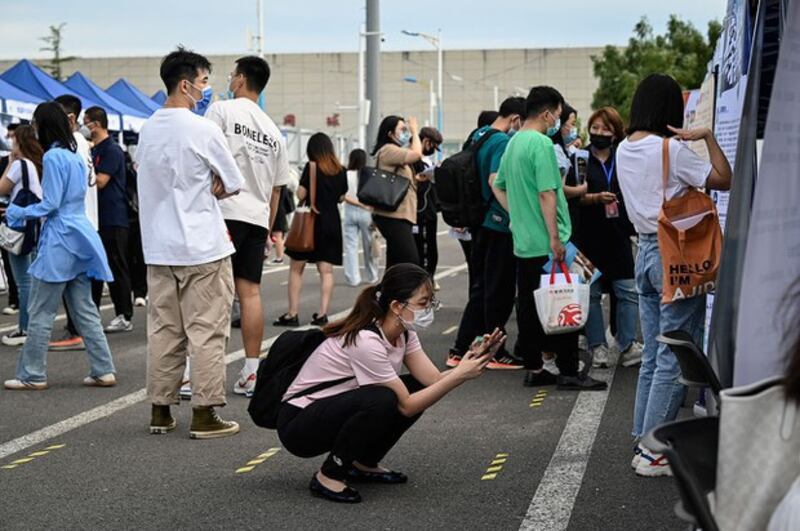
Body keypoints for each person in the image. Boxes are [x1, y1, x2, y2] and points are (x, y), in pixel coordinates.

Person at [277, 263, 506, 503]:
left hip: (328, 411)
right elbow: (406, 406)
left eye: (431, 302)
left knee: (412, 388)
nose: (429, 309)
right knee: (384, 399)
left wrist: (472, 360)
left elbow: (433, 380)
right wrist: (460, 375)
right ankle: (329, 475)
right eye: (423, 303)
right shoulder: (366, 341)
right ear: (397, 306)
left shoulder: (404, 333)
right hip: (298, 424)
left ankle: (362, 462)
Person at [616, 73, 731, 476]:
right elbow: (723, 178)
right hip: (676, 258)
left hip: (645, 253)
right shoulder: (672, 150)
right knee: (671, 353)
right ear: (670, 109)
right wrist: (707, 138)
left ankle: (642, 439)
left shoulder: (623, 149)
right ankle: (654, 451)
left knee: (653, 353)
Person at [135, 47, 245, 439]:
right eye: (202, 83)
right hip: (203, 247)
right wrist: (209, 185)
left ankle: (161, 409)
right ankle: (204, 412)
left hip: (159, 247)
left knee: (164, 331)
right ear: (185, 85)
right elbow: (233, 181)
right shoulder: (203, 129)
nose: (206, 90)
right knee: (207, 332)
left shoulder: (147, 129)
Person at [492, 86, 606, 391]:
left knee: (530, 306)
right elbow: (547, 193)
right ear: (546, 113)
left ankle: (534, 367)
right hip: (548, 241)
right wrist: (555, 239)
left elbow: (497, 185)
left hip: (524, 242)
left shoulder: (513, 143)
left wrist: (517, 212)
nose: (558, 121)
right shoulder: (541, 144)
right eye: (557, 115)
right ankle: (568, 371)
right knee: (565, 300)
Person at [3, 102, 116, 390]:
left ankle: (32, 374)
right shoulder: (75, 155)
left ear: (44, 125)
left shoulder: (53, 156)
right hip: (80, 234)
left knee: (41, 311)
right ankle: (103, 369)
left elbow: (50, 204)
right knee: (85, 309)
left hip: (59, 239)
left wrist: (17, 212)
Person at [205, 55, 292, 397]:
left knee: (211, 294)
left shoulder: (222, 111)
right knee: (250, 293)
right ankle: (252, 372)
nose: (229, 79)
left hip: (222, 212)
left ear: (240, 79)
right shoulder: (274, 132)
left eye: (231, 75)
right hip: (256, 218)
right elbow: (276, 189)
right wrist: (267, 228)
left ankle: (194, 374)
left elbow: (205, 158)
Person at [449, 97, 527, 371]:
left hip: (479, 221)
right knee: (499, 290)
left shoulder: (478, 135)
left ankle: (460, 348)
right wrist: (515, 215)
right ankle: (496, 352)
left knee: (481, 288)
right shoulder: (502, 142)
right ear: (516, 119)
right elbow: (496, 180)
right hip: (497, 223)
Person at [576, 106, 642, 369]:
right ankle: (597, 346)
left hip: (619, 235)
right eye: (595, 128)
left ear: (616, 133)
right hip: (588, 235)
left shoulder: (624, 157)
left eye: (606, 129)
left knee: (627, 291)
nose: (599, 133)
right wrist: (594, 198)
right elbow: (570, 195)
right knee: (591, 294)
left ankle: (626, 344)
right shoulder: (579, 159)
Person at [274, 133, 347, 327]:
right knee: (327, 271)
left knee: (297, 269)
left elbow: (301, 194)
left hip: (311, 222)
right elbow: (341, 197)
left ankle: (292, 314)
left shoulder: (311, 167)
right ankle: (322, 314)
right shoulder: (341, 170)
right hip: (332, 222)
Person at [49, 94, 99, 352]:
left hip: (76, 221)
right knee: (79, 288)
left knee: (73, 286)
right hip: (84, 220)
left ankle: (77, 331)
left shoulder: (72, 144)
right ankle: (79, 331)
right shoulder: (81, 142)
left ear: (69, 118)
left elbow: (67, 186)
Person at [83, 106, 134, 333]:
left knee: (116, 265)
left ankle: (124, 314)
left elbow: (101, 181)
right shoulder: (92, 150)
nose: (85, 126)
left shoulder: (111, 149)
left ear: (97, 123)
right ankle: (90, 313)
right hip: (96, 218)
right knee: (95, 267)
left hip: (114, 217)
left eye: (87, 122)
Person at [0, 125, 44, 346]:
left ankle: (25, 329)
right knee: (30, 279)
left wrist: (8, 163)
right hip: (32, 225)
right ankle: (29, 327)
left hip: (18, 225)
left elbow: (1, 188)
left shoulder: (19, 165)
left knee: (23, 281)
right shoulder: (33, 164)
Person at [370, 115, 424, 267]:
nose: (405, 132)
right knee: (410, 260)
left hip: (399, 215)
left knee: (396, 263)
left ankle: (386, 291)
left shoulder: (395, 151)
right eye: (402, 129)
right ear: (390, 134)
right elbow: (417, 154)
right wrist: (414, 131)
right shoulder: (388, 150)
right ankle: (402, 290)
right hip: (393, 216)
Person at [342, 148, 378, 287]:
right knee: (369, 245)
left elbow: (343, 196)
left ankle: (353, 278)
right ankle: (372, 276)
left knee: (350, 247)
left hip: (349, 212)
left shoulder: (345, 174)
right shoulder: (369, 174)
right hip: (366, 213)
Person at [413, 127, 442, 282]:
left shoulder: (428, 162)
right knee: (422, 251)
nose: (433, 150)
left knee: (431, 249)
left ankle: (429, 277)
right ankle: (423, 280)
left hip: (430, 211)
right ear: (425, 141)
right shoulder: (414, 161)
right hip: (420, 212)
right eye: (432, 146)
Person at [1, 123, 22, 318]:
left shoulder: (23, 164)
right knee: (10, 263)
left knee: (22, 268)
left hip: (20, 221)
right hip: (9, 220)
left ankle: (21, 306)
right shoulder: (6, 161)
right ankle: (15, 300)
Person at [124, 150, 147, 307]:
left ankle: (139, 291)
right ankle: (141, 291)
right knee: (139, 257)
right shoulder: (136, 172)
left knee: (132, 257)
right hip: (141, 217)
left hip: (131, 218)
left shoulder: (132, 173)